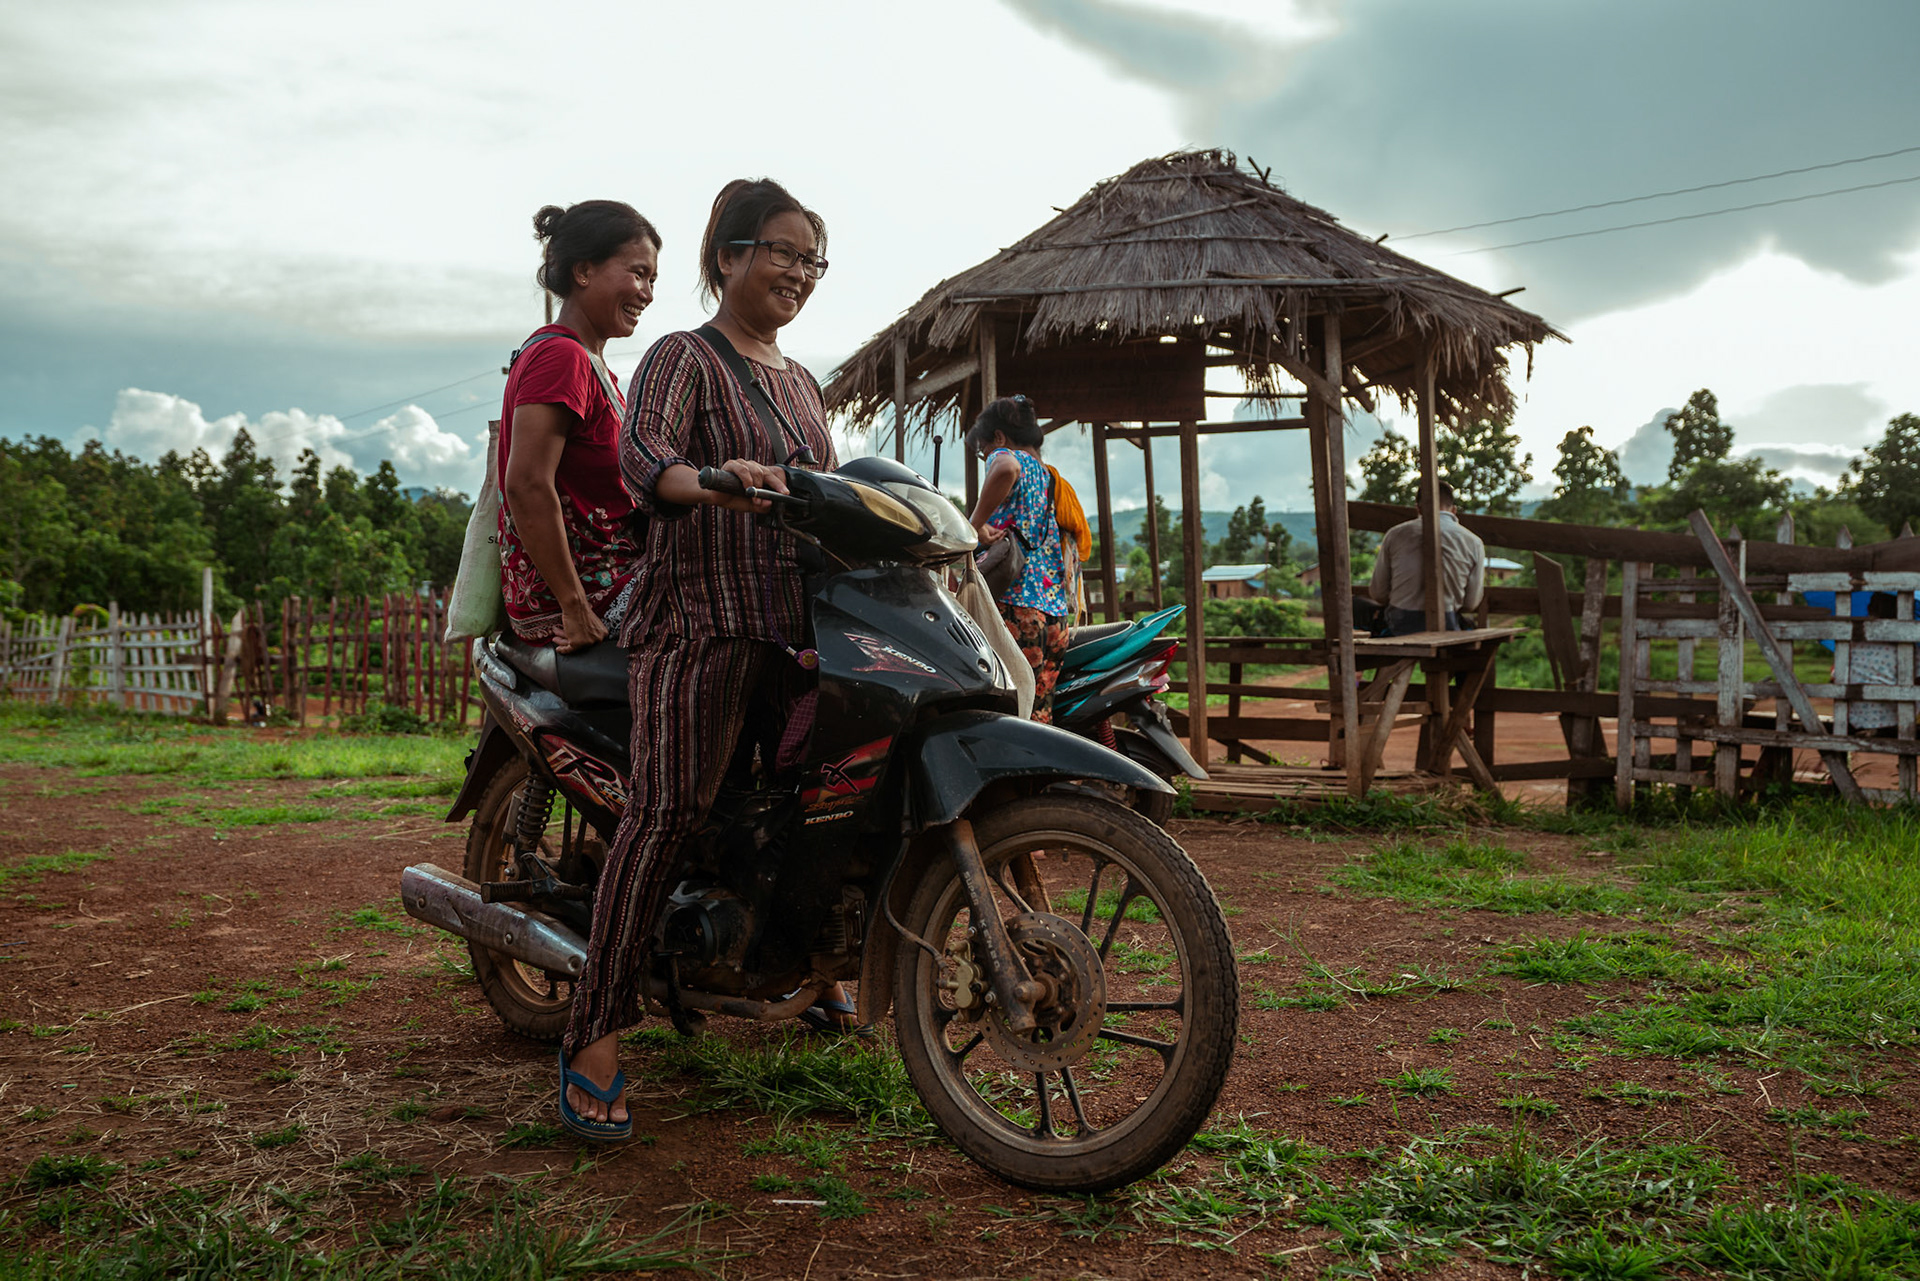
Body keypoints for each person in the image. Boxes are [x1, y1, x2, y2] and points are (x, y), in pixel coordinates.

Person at [555, 179, 838, 1141]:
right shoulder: (685, 357)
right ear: (728, 256)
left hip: (791, 629)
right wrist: (714, 481)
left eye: (813, 260)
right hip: (698, 621)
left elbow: (829, 494)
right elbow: (646, 459)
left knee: (796, 809)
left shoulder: (800, 380)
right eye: (783, 253)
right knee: (666, 811)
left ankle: (797, 968)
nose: (798, 273)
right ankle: (593, 1032)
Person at [498, 201, 661, 651]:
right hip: (587, 592)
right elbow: (528, 483)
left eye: (652, 280)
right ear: (584, 271)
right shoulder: (561, 356)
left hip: (610, 576)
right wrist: (574, 607)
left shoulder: (592, 364)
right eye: (638, 273)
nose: (647, 292)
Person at [967, 395, 1075, 722]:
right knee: (1038, 719)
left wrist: (972, 527)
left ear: (998, 437)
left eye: (981, 449)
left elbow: (1006, 466)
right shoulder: (1048, 476)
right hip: (1054, 619)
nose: (984, 456)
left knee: (1004, 716)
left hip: (1015, 610)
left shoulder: (1006, 456)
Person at [1368, 480, 1485, 637]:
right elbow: (1471, 603)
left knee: (1359, 608)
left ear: (1418, 508)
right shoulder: (1473, 542)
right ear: (1454, 510)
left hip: (1400, 624)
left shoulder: (1395, 534)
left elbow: (1378, 593)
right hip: (1447, 622)